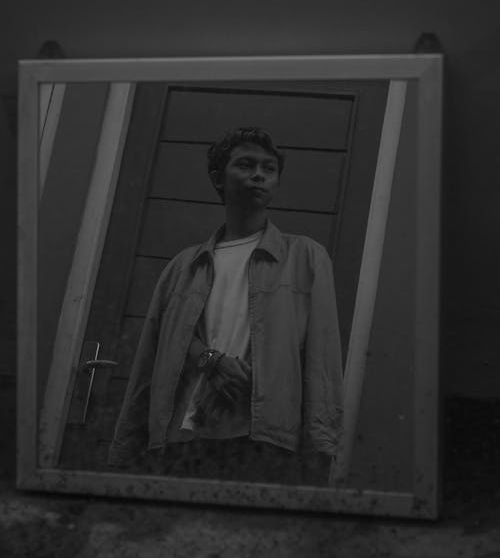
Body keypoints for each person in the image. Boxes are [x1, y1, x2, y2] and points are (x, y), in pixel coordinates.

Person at [108, 127, 343, 485]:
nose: (259, 175)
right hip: (179, 440)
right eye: (246, 165)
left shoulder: (306, 258)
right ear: (219, 178)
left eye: (269, 168)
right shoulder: (182, 268)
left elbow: (322, 362)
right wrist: (125, 448)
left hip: (262, 441)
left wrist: (321, 447)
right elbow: (151, 358)